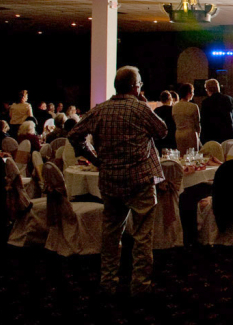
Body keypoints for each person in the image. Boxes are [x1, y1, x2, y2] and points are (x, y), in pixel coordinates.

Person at [67, 66, 167, 297]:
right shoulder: (140, 108)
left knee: (111, 234)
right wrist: (143, 102)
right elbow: (162, 131)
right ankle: (140, 286)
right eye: (139, 83)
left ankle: (108, 282)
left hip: (110, 180)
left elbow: (74, 135)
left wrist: (95, 159)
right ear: (135, 86)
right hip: (140, 180)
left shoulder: (100, 110)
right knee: (142, 237)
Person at [200, 78, 233, 145]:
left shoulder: (206, 102)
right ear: (218, 87)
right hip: (228, 132)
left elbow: (204, 120)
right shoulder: (228, 99)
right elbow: (232, 115)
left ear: (207, 89)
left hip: (212, 134)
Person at [172, 83, 201, 155]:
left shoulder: (175, 106)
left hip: (179, 134)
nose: (193, 94)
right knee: (192, 156)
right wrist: (198, 133)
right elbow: (197, 123)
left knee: (181, 156)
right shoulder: (193, 106)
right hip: (190, 134)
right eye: (192, 92)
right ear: (189, 93)